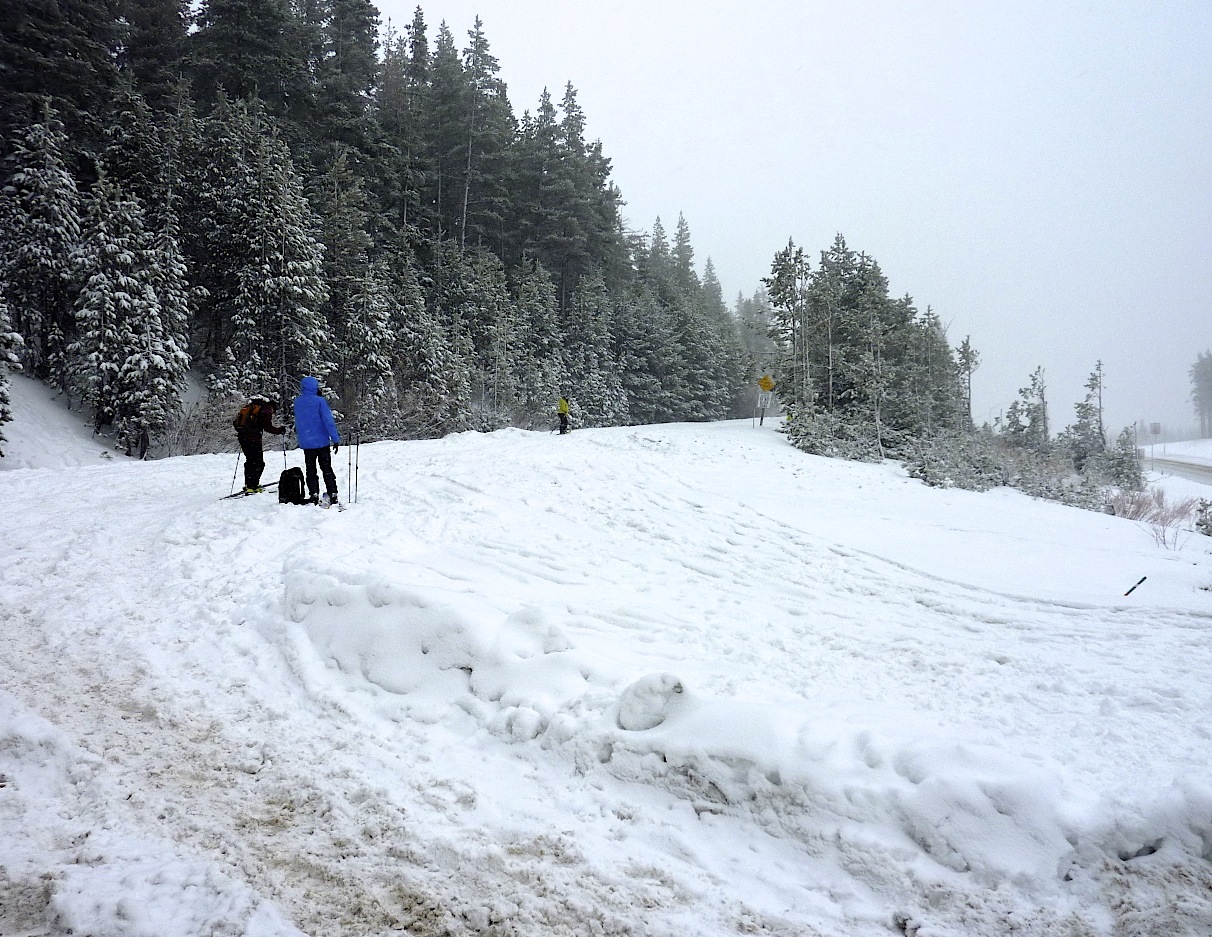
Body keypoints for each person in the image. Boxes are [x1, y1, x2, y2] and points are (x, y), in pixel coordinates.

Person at [293, 376, 341, 507]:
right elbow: (328, 421)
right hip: (322, 442)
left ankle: (314, 493)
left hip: (307, 443)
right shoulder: (320, 401)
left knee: (310, 469)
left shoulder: (297, 402)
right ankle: (333, 493)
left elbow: (299, 422)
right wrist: (335, 439)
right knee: (326, 468)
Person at [233, 395, 285, 493]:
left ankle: (249, 484)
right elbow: (267, 427)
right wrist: (279, 430)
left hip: (242, 437)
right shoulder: (266, 410)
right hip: (253, 439)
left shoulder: (250, 407)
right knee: (258, 463)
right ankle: (253, 486)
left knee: (250, 461)